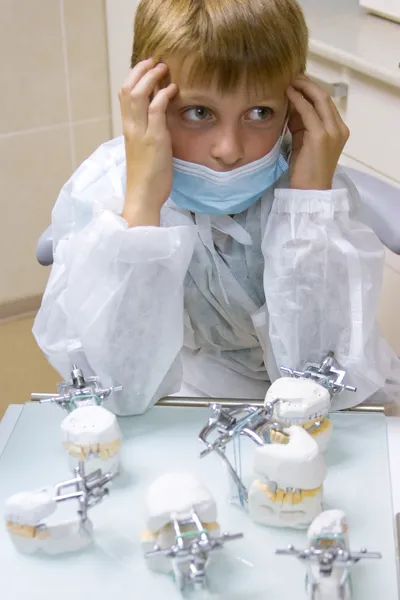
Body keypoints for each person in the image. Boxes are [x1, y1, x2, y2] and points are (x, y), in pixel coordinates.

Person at [33, 0, 400, 416]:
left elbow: (318, 382)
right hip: (174, 387)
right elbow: (118, 388)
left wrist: (309, 207)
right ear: (146, 98)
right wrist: (141, 207)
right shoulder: (108, 188)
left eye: (260, 112)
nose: (229, 150)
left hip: (304, 405)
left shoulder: (312, 189)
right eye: (198, 112)